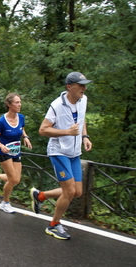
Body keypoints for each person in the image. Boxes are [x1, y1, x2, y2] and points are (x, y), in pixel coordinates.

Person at [30, 72, 93, 240]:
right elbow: (43, 130)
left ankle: (40, 196)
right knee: (69, 190)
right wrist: (67, 132)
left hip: (74, 153)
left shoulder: (83, 100)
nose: (84, 88)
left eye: (85, 85)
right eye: (80, 85)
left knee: (77, 191)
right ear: (69, 87)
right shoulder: (57, 105)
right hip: (59, 151)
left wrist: (84, 136)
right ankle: (54, 225)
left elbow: (82, 120)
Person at [0, 93, 32, 213]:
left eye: (20, 102)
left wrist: (25, 137)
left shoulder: (21, 117)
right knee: (12, 179)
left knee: (16, 180)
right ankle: (5, 202)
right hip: (5, 152)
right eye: (17, 102)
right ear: (9, 104)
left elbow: (22, 129)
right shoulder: (2, 121)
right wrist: (2, 146)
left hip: (16, 151)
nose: (20, 104)